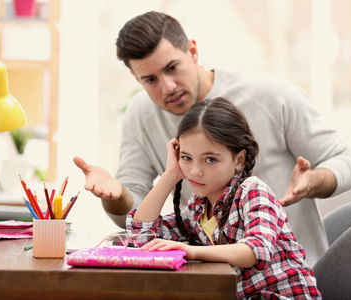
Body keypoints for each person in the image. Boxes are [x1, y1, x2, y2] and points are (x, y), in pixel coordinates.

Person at [74, 11, 351, 266]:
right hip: (212, 279)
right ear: (137, 80)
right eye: (150, 79)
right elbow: (137, 224)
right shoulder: (195, 208)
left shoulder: (271, 96)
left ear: (193, 51)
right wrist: (117, 195)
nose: (168, 87)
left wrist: (313, 182)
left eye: (172, 68)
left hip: (285, 276)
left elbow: (345, 162)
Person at [127, 97, 321, 299]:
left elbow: (256, 251)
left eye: (210, 159)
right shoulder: (198, 208)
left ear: (239, 160)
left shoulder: (253, 191)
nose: (195, 171)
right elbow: (141, 236)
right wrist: (170, 175)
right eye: (186, 158)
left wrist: (192, 252)